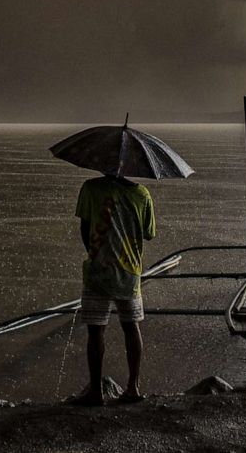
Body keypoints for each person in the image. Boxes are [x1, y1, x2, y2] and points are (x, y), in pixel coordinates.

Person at [72, 174, 155, 406]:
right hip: (130, 273)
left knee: (96, 331)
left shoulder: (91, 188)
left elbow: (85, 228)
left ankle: (96, 392)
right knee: (131, 326)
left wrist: (96, 253)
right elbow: (148, 233)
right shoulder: (142, 194)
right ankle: (133, 387)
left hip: (98, 272)